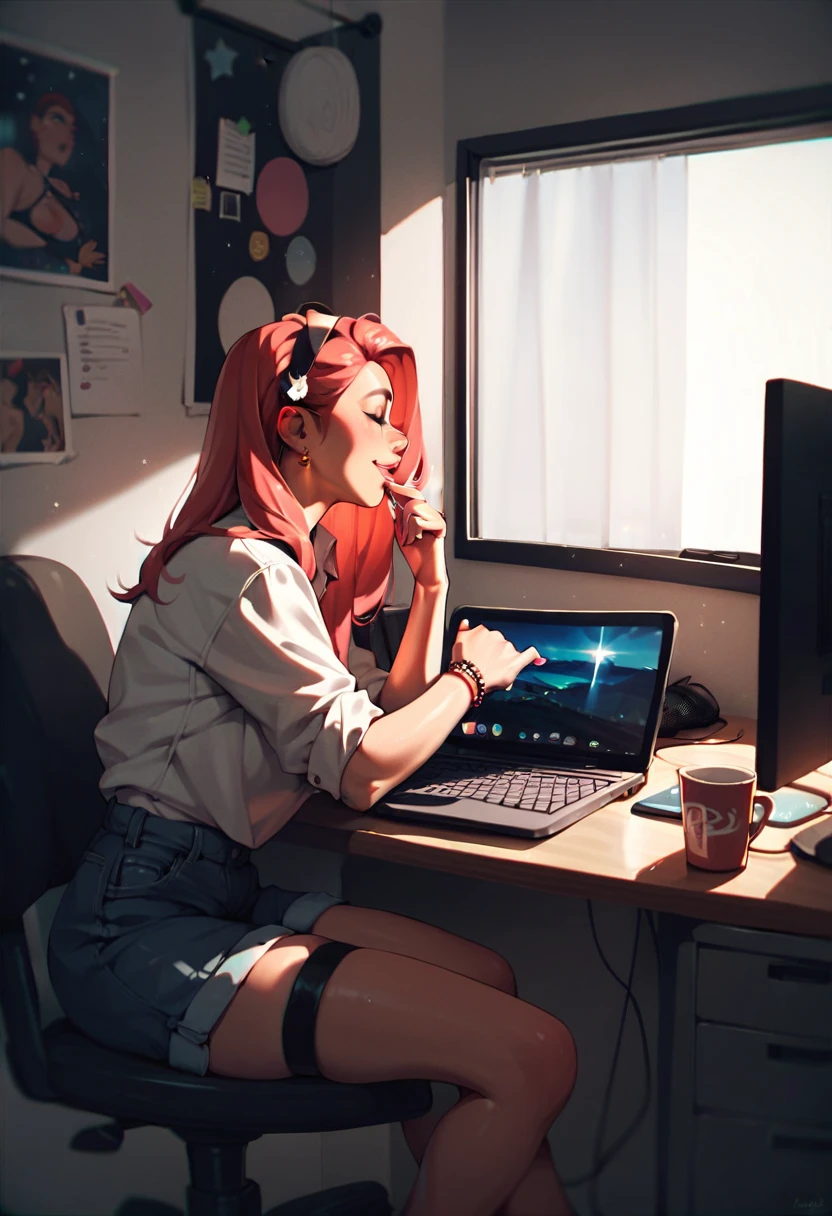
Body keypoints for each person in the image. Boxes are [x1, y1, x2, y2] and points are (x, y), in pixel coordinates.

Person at [48, 309, 578, 1216]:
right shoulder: (241, 569)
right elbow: (368, 768)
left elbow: (387, 718)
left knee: (492, 986)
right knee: (534, 1054)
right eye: (377, 412)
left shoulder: (292, 564)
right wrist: (472, 677)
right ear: (294, 426)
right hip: (136, 929)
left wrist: (433, 583)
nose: (399, 437)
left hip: (213, 890)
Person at [0, 92, 105, 276]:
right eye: (58, 119)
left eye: (72, 128)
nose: (67, 134)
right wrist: (65, 266)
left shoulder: (64, 190)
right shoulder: (13, 163)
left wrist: (76, 261)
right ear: (35, 123)